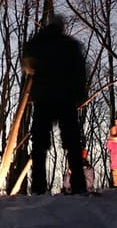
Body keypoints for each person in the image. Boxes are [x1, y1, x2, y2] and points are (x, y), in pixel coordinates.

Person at [22, 14, 88, 195]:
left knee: (40, 144)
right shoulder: (70, 45)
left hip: (44, 99)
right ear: (61, 27)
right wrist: (79, 95)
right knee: (72, 142)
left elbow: (27, 63)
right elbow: (81, 72)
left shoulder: (37, 42)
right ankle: (79, 186)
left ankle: (38, 188)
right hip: (65, 99)